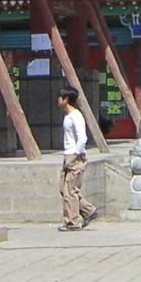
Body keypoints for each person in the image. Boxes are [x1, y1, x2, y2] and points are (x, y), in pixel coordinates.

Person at [57, 86, 98, 232]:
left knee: (70, 191)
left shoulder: (76, 116)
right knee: (64, 189)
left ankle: (73, 222)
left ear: (66, 99)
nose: (58, 100)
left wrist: (74, 156)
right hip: (68, 155)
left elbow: (82, 138)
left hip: (75, 157)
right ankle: (88, 210)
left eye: (60, 97)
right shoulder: (68, 116)